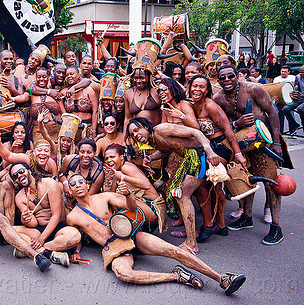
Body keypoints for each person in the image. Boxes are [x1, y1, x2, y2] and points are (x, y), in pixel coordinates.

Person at [66, 174, 246, 295]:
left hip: (130, 235)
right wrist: (76, 251)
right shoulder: (72, 216)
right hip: (114, 249)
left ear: (87, 184)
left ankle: (222, 278)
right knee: (124, 274)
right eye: (73, 184)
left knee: (174, 250)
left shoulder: (104, 197)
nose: (78, 185)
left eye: (80, 181)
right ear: (70, 191)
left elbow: (133, 208)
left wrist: (128, 194)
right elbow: (79, 236)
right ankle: (177, 276)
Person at [213, 64, 292, 245]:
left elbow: (272, 112)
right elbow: (219, 123)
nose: (227, 80)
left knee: (270, 182)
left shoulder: (252, 88)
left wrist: (276, 142)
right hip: (242, 144)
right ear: (218, 80)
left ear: (237, 76)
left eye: (230, 76)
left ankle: (276, 227)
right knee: (247, 179)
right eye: (222, 77)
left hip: (264, 141)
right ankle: (246, 217)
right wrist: (237, 124)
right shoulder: (218, 98)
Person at [128, 117, 222, 254]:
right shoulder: (153, 139)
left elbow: (197, 133)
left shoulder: (161, 129)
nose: (136, 135)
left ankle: (191, 244)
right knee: (177, 194)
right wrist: (150, 158)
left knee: (183, 196)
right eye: (132, 134)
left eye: (137, 130)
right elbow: (167, 148)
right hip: (191, 159)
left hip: (200, 156)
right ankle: (191, 233)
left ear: (146, 127)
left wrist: (209, 152)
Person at [188, 74, 247, 243]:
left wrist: (238, 154)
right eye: (194, 86)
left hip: (221, 147)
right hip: (207, 148)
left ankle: (209, 225)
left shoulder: (210, 105)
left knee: (201, 183)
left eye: (201, 87)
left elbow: (228, 130)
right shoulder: (192, 105)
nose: (197, 89)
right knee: (215, 188)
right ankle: (220, 225)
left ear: (207, 90)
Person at [11, 162, 81, 266]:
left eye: (21, 171)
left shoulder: (49, 184)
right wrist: (25, 220)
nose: (19, 175)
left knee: (74, 236)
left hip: (58, 228)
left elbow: (56, 215)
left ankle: (31, 250)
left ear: (29, 170)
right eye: (15, 176)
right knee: (11, 231)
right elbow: (33, 223)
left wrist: (41, 239)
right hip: (38, 230)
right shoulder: (19, 197)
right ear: (15, 180)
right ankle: (49, 253)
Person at [103, 144, 167, 232]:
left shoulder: (126, 167)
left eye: (112, 157)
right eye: (106, 158)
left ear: (121, 157)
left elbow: (146, 184)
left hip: (153, 209)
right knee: (109, 197)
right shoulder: (118, 171)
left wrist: (122, 176)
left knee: (110, 197)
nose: (109, 160)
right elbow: (112, 192)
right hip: (143, 208)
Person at [59, 138, 104, 204]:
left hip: (87, 199)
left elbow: (88, 197)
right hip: (69, 193)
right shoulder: (70, 160)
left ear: (94, 153)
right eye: (82, 152)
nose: (85, 155)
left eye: (89, 152)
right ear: (78, 152)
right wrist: (65, 184)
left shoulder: (98, 173)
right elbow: (60, 174)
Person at [60, 67, 98, 141]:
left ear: (78, 75)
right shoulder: (64, 92)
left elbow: (95, 112)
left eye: (72, 74)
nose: (69, 76)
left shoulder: (89, 90)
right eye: (67, 75)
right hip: (71, 129)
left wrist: (93, 131)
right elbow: (63, 112)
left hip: (87, 127)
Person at [281, 65, 304, 135]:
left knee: (300, 109)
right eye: (300, 72)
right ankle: (294, 124)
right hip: (300, 97)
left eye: (303, 72)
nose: (301, 74)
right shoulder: (297, 77)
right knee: (285, 108)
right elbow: (296, 88)